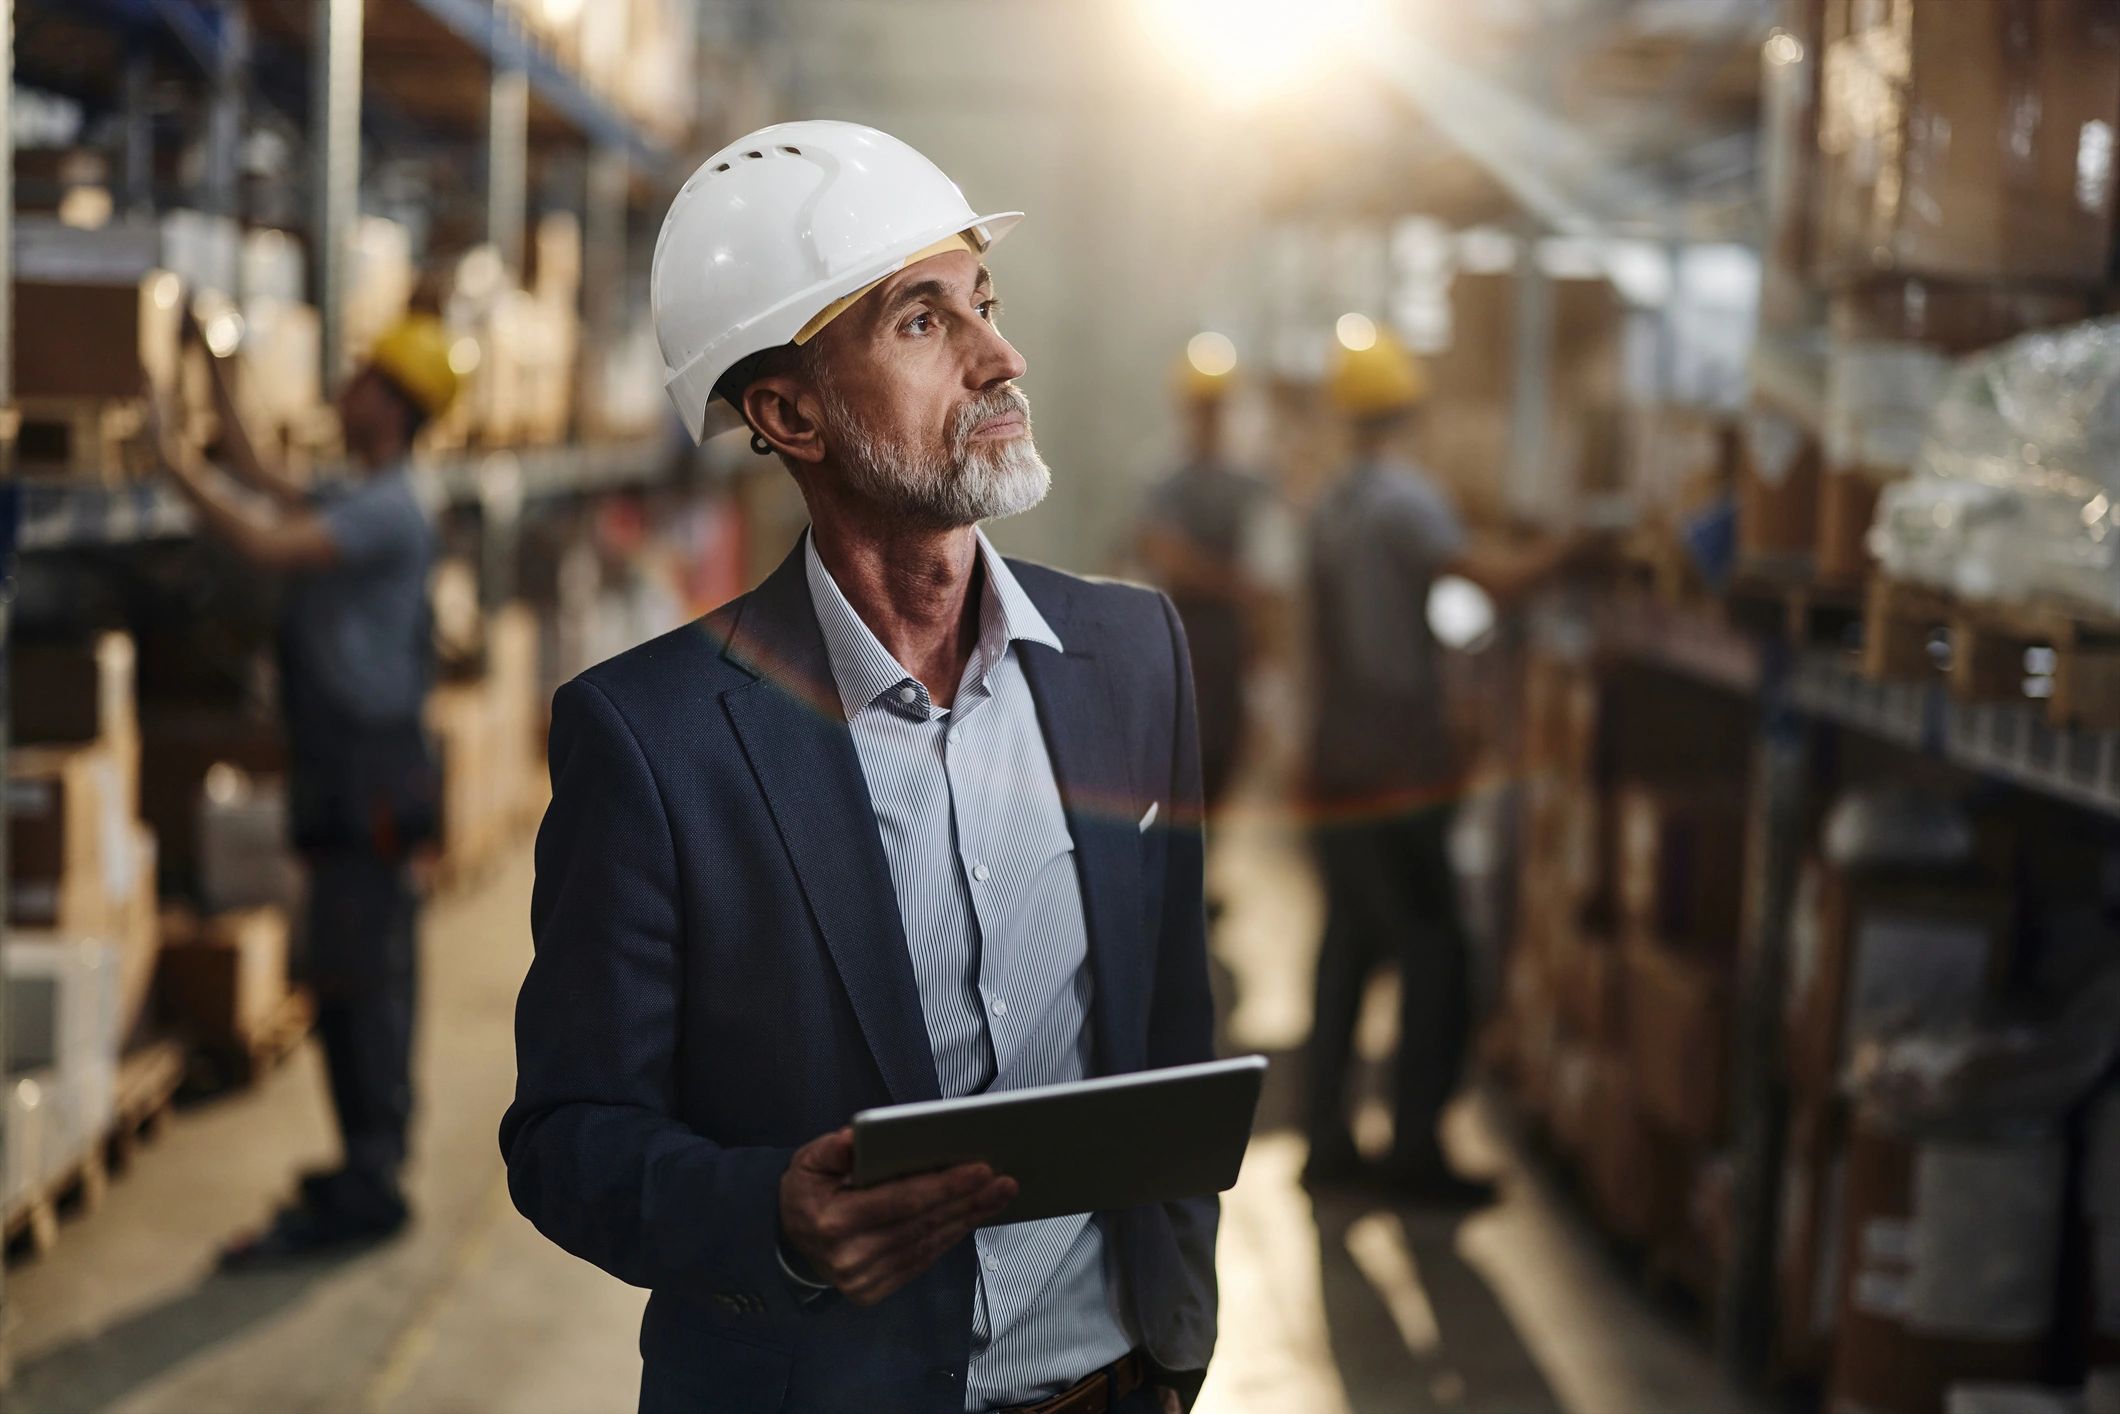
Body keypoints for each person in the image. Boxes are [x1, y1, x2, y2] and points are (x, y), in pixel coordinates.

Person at [501, 121, 1215, 1414]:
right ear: (790, 413)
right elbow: (566, 1135)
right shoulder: (654, 738)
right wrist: (767, 1215)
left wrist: (1170, 1350)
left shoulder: (1131, 657)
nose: (1000, 356)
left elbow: (1168, 1027)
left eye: (983, 302)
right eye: (921, 322)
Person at [152, 312, 457, 1260]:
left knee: (361, 974)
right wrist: (211, 361)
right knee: (346, 967)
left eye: (365, 377)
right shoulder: (363, 490)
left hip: (371, 773)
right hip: (348, 766)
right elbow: (262, 476)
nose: (345, 387)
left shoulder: (389, 507)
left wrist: (170, 463)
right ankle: (367, 1159)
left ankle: (372, 1179)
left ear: (393, 405)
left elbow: (261, 541)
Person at [1301, 324, 1578, 1205]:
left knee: (1348, 948)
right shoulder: (1406, 500)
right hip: (1398, 761)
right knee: (1436, 951)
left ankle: (1326, 1143)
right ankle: (1414, 1150)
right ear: (1409, 411)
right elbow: (1493, 581)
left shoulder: (1331, 504)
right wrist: (1576, 545)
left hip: (1337, 755)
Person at [1135, 345, 1276, 816]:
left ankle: (1200, 856)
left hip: (1229, 648)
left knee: (1221, 764)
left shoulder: (1250, 483)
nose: (1210, 417)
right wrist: (1235, 585)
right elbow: (1166, 557)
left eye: (1216, 407)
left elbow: (1271, 579)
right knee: (1177, 770)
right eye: (1202, 407)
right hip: (1179, 641)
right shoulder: (1165, 482)